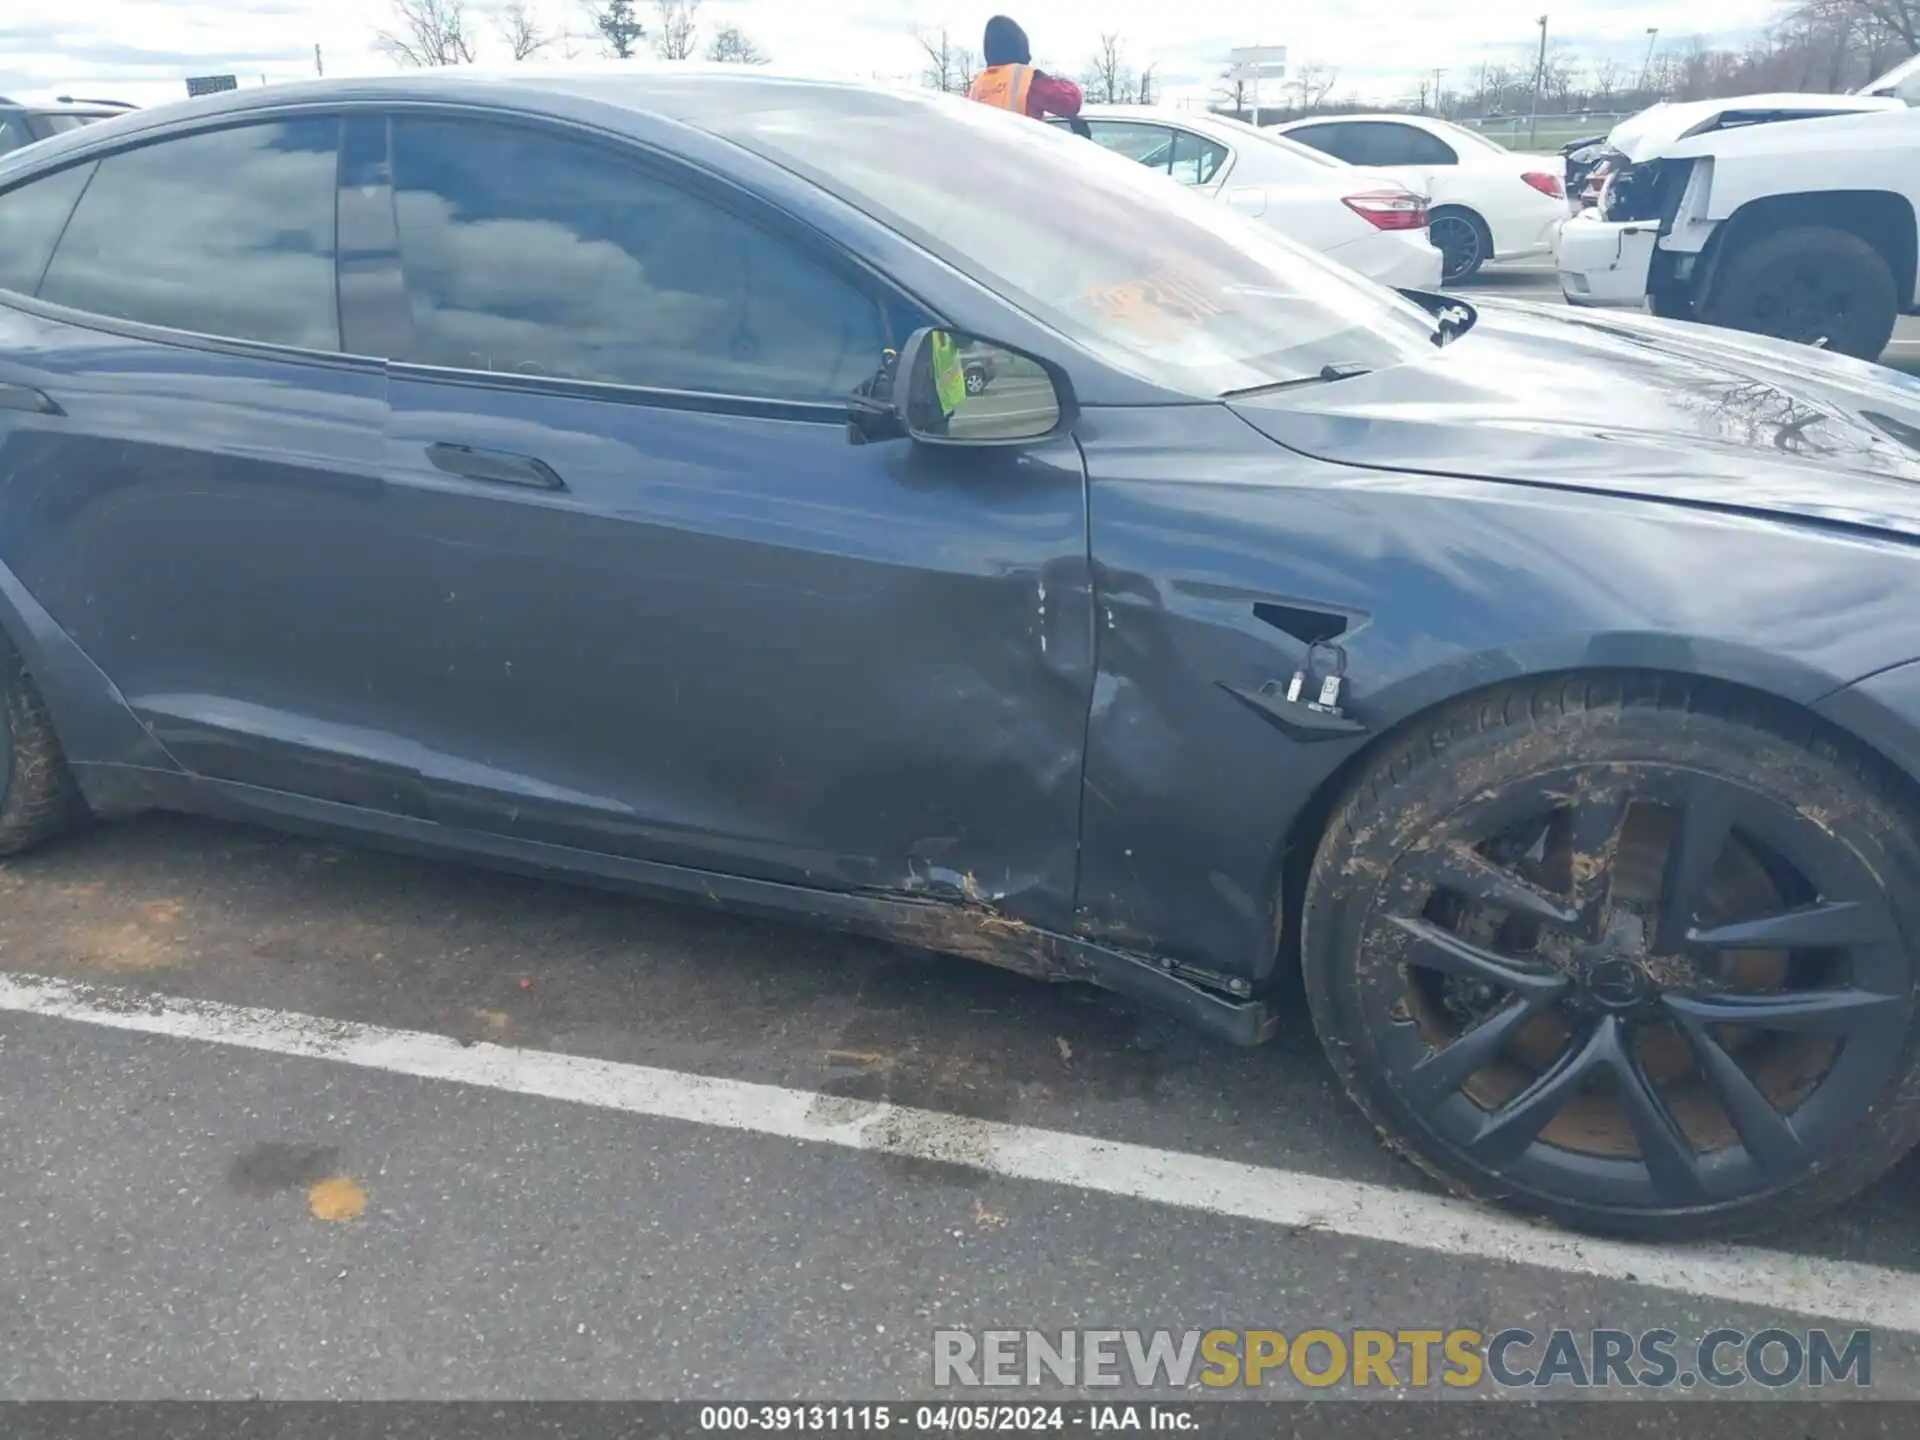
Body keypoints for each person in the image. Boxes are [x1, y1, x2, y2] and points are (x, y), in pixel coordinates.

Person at [967, 16, 1089, 135]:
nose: (1029, 57)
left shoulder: (977, 85)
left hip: (981, 155)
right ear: (1017, 48)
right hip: (1020, 154)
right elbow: (1070, 103)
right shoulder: (1026, 79)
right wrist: (1056, 80)